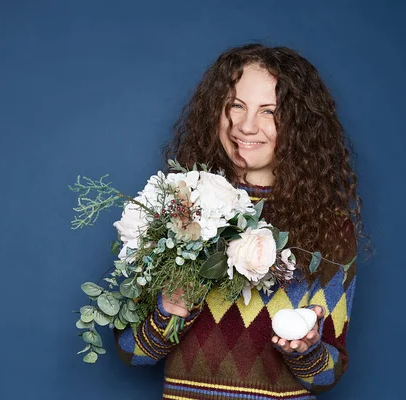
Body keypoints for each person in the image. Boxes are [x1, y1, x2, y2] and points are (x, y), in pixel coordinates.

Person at [114, 43, 364, 400]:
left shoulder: (329, 228)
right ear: (216, 110)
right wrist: (167, 312)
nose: (246, 126)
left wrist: (306, 351)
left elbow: (326, 376)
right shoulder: (180, 206)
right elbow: (132, 353)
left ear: (299, 125)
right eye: (236, 105)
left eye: (269, 112)